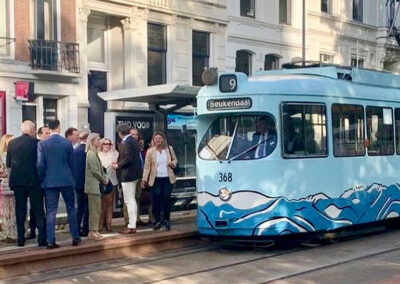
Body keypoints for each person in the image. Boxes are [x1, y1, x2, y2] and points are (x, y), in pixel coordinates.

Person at [37, 119, 81, 249]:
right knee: (71, 208)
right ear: (59, 127)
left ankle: (50, 240)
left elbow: (40, 165)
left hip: (49, 181)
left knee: (51, 211)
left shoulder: (42, 144)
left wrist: (42, 178)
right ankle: (75, 237)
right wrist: (72, 178)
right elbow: (72, 163)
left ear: (49, 128)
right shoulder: (67, 143)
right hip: (66, 179)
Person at [6, 121, 46, 247]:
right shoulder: (38, 143)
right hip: (34, 181)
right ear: (33, 130)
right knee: (38, 209)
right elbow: (41, 163)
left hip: (18, 181)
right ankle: (42, 239)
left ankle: (21, 239)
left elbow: (8, 164)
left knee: (20, 209)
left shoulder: (12, 143)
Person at [141, 132, 178, 231]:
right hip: (155, 179)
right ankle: (157, 221)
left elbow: (175, 160)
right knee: (156, 201)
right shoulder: (150, 151)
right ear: (153, 140)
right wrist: (144, 179)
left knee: (166, 200)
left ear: (163, 139)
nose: (158, 140)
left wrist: (172, 163)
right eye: (156, 138)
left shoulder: (169, 149)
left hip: (167, 178)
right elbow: (147, 166)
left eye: (160, 138)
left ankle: (166, 220)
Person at [112, 124, 142, 234]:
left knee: (129, 200)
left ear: (119, 133)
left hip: (128, 174)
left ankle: (131, 225)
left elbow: (128, 158)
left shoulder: (128, 142)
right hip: (135, 174)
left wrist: (117, 165)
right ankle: (132, 224)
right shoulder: (133, 141)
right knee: (131, 199)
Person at [85, 133, 108, 240]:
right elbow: (95, 170)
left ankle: (95, 230)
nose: (100, 141)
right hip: (92, 186)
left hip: (95, 186)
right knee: (94, 209)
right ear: (93, 141)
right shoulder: (91, 154)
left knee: (97, 209)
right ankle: (92, 231)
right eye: (98, 140)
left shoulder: (94, 153)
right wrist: (104, 179)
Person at [98, 138, 119, 232]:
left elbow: (115, 159)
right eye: (105, 144)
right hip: (100, 181)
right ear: (101, 145)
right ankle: (100, 224)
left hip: (112, 181)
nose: (107, 145)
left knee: (109, 203)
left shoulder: (114, 153)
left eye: (109, 144)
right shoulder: (97, 154)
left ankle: (109, 223)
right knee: (100, 204)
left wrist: (113, 149)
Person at [74, 131, 90, 237]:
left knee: (79, 206)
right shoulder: (88, 151)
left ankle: (76, 228)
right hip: (87, 182)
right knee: (87, 207)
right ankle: (85, 229)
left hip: (77, 182)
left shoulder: (75, 151)